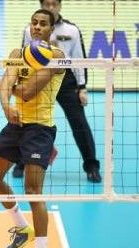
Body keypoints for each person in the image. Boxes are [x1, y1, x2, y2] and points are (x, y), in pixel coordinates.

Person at [0, 9, 65, 248]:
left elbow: (28, 90)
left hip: (40, 129)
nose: (38, 27)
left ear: (51, 30)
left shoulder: (57, 57)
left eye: (43, 24)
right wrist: (5, 104)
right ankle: (21, 226)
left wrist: (7, 86)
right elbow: (6, 84)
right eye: (34, 22)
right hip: (16, 125)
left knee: (33, 191)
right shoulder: (17, 52)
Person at [12, 0, 101, 183]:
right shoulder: (30, 29)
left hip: (65, 79)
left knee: (79, 123)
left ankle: (91, 166)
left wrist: (82, 87)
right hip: (37, 77)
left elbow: (79, 58)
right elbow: (22, 58)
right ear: (42, 5)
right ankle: (21, 162)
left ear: (59, 6)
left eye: (54, 4)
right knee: (27, 120)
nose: (51, 7)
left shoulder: (72, 30)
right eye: (47, 4)